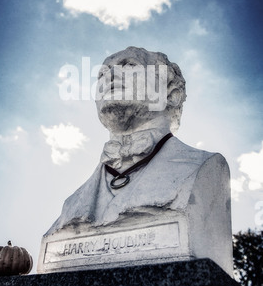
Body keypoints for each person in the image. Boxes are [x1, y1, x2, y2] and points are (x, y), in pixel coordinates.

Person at [47, 46, 231, 232]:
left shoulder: (202, 169)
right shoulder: (71, 205)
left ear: (171, 95)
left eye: (128, 66)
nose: (109, 77)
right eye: (102, 74)